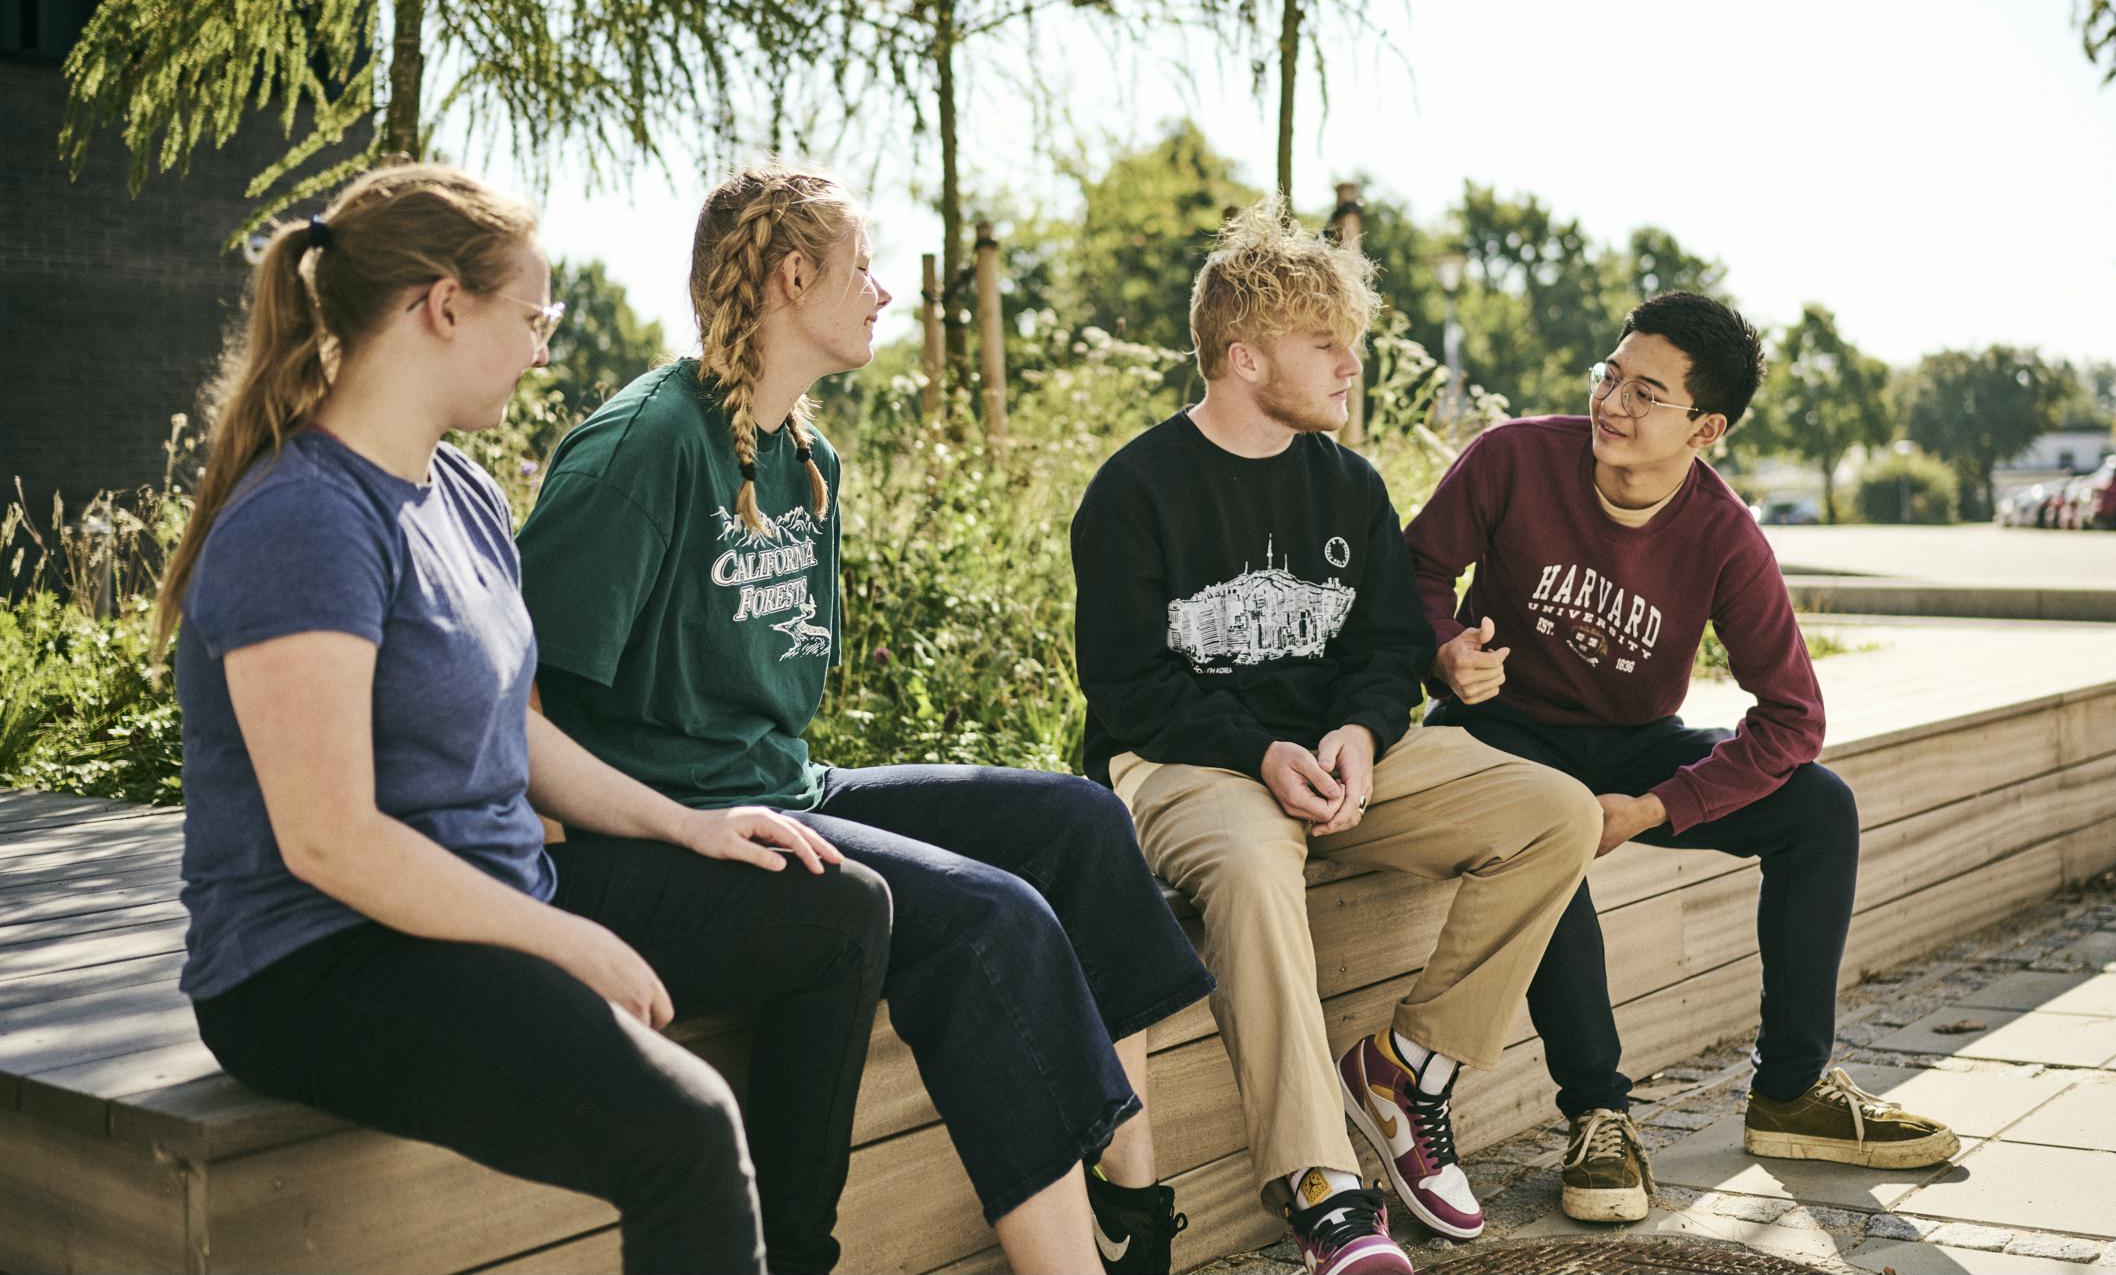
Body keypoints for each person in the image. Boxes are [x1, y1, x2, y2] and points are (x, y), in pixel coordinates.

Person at [161, 164, 891, 1275]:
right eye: (533, 316)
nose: (544, 348)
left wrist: (685, 825)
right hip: (319, 962)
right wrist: (564, 938)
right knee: (685, 1131)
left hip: (487, 900)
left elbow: (518, 725)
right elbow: (328, 838)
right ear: (442, 307)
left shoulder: (452, 489)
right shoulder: (304, 519)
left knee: (834, 911)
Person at [515, 158, 1214, 1275]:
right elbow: (520, 675)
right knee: (989, 917)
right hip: (676, 819)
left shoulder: (809, 461)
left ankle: (1130, 1212)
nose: (886, 293)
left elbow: (777, 698)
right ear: (795, 275)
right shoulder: (645, 445)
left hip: (785, 785)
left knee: (1080, 820)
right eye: (865, 268)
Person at [1072, 203, 1604, 1275]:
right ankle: (1323, 1190)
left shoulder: (1349, 486)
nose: (1351, 364)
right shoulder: (1134, 490)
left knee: (1557, 811)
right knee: (1250, 871)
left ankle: (1409, 1066)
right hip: (1187, 764)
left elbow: (1383, 649)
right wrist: (1263, 755)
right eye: (1325, 343)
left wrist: (1362, 732)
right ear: (1241, 355)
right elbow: (1127, 685)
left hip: (1341, 760)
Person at [1404, 291, 1958, 1225]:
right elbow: (1417, 567)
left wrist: (1659, 805)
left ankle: (1790, 1090)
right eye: (1609, 375)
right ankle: (1600, 1115)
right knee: (1547, 819)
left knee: (1819, 807)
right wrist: (1446, 647)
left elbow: (1792, 716)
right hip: (1499, 731)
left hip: (1628, 748)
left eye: (1646, 394)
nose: (1612, 405)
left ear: (1707, 429)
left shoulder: (1724, 536)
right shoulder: (1514, 459)